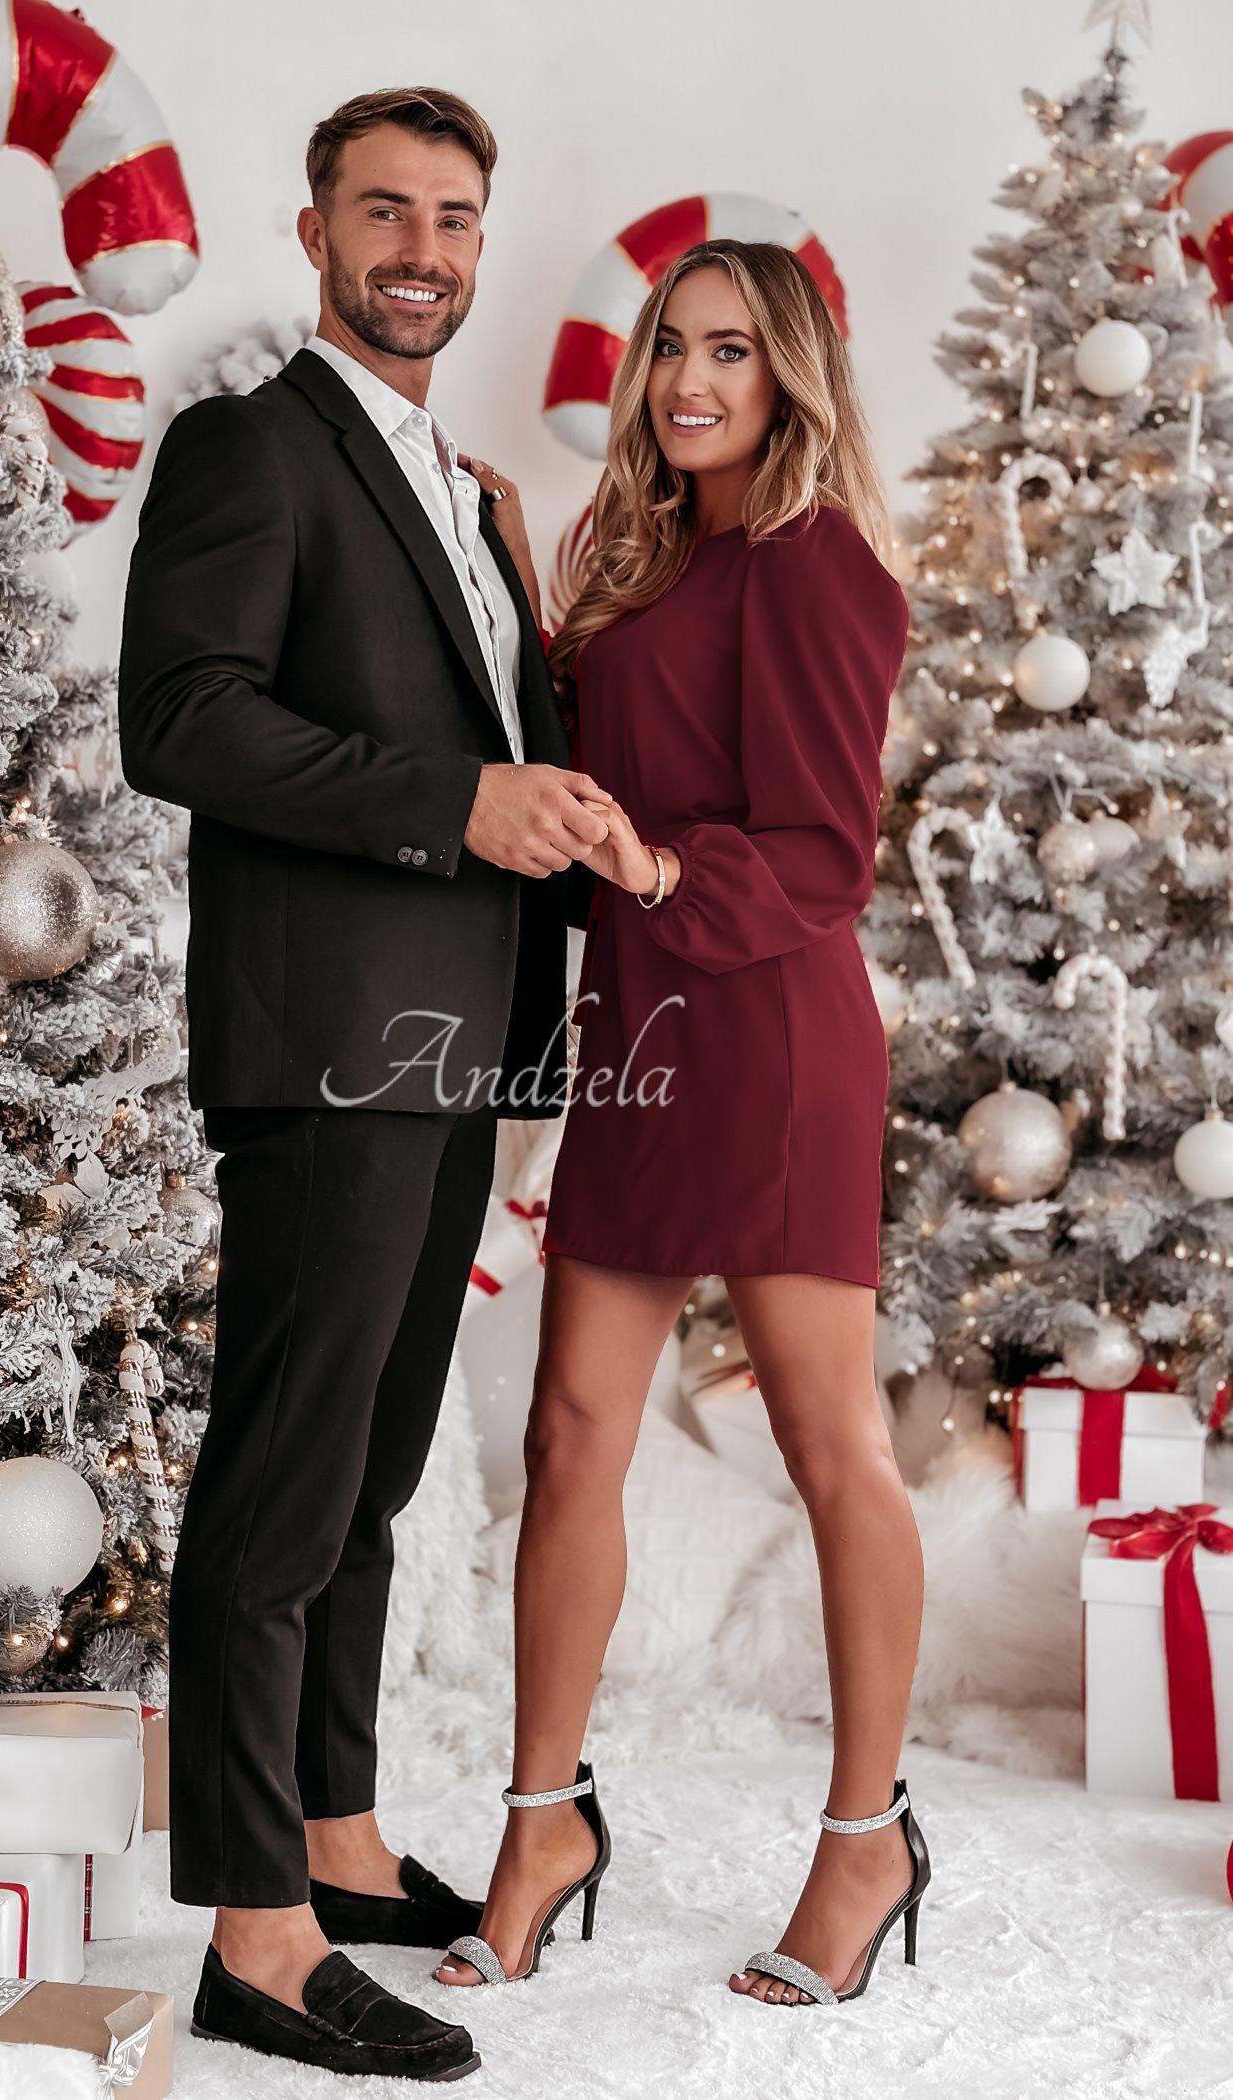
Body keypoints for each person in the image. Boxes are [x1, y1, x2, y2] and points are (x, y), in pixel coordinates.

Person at [118, 86, 609, 2082]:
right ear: (314, 230)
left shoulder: (461, 491)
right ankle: (254, 1933)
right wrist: (454, 801)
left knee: (374, 1479)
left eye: (454, 216)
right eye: (384, 211)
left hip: (454, 1048)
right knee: (284, 1480)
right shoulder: (251, 443)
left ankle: (331, 1834)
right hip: (328, 1045)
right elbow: (183, 718)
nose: (422, 249)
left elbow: (496, 739)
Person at [436, 239, 930, 2010]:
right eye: (671, 349)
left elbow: (826, 852)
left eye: (731, 350)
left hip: (776, 1038)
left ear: (790, 373)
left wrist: (656, 870)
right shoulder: (643, 556)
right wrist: (517, 573)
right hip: (643, 1028)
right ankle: (541, 1824)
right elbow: (585, 767)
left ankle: (866, 1839)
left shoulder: (818, 562)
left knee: (829, 1445)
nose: (691, 381)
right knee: (574, 1433)